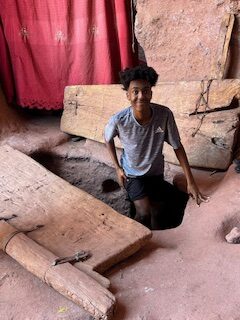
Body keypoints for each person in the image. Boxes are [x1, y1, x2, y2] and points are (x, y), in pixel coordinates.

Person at [104, 65, 208, 229]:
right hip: (133, 175)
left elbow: (177, 146)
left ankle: (158, 241)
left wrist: (191, 182)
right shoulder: (119, 119)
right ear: (128, 95)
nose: (141, 96)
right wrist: (117, 168)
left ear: (151, 93)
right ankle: (131, 236)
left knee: (168, 207)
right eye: (135, 91)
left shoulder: (164, 115)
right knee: (144, 214)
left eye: (145, 91)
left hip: (155, 174)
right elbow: (107, 139)